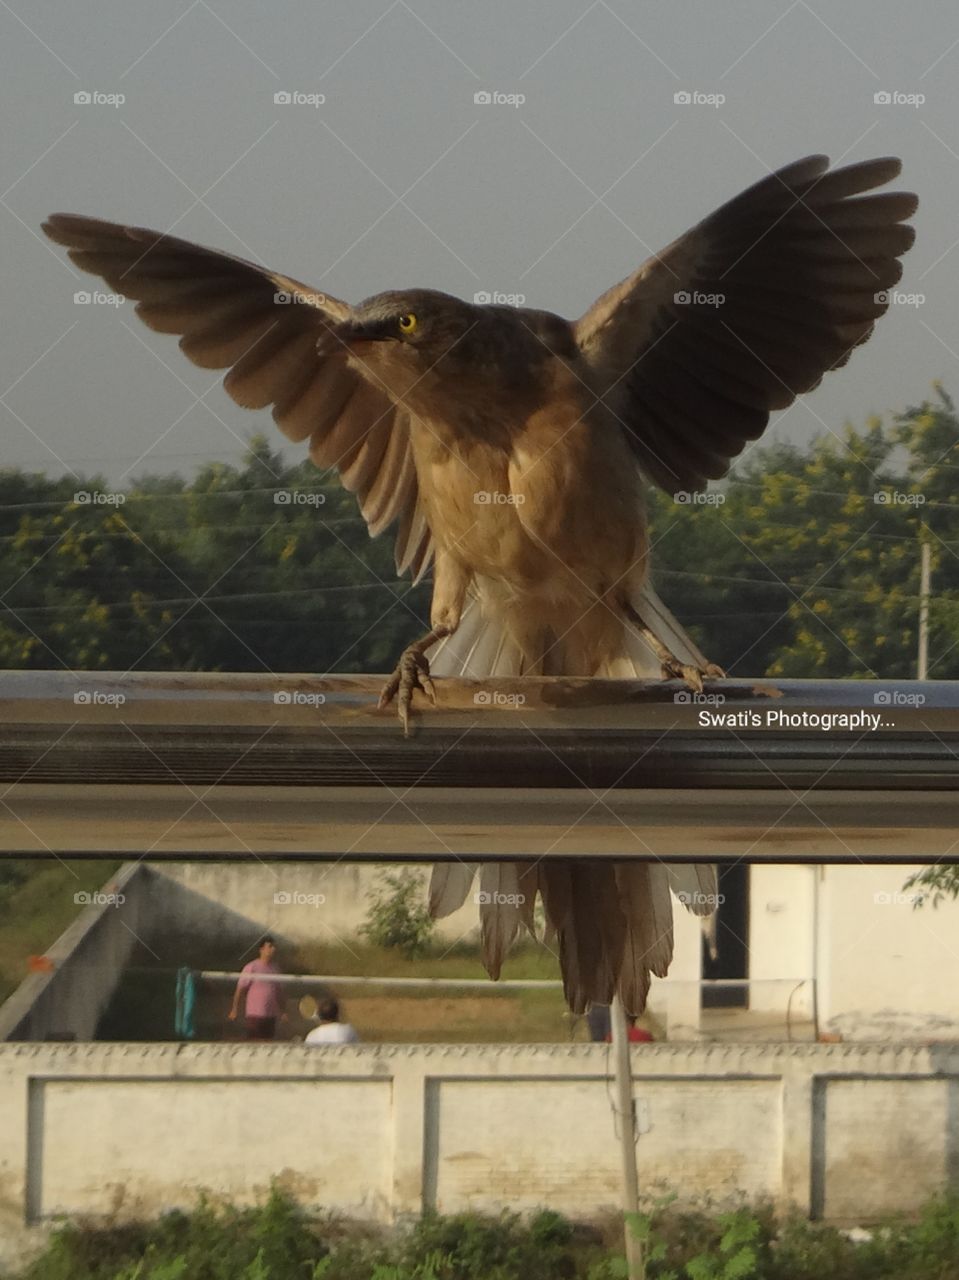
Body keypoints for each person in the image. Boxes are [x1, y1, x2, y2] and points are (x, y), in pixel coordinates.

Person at [228, 936, 286, 1040]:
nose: (273, 949)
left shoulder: (275, 969)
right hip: (255, 1014)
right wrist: (234, 1009)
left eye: (274, 947)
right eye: (270, 946)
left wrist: (283, 1011)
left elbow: (279, 992)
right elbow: (240, 989)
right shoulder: (251, 967)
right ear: (261, 949)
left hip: (271, 1015)